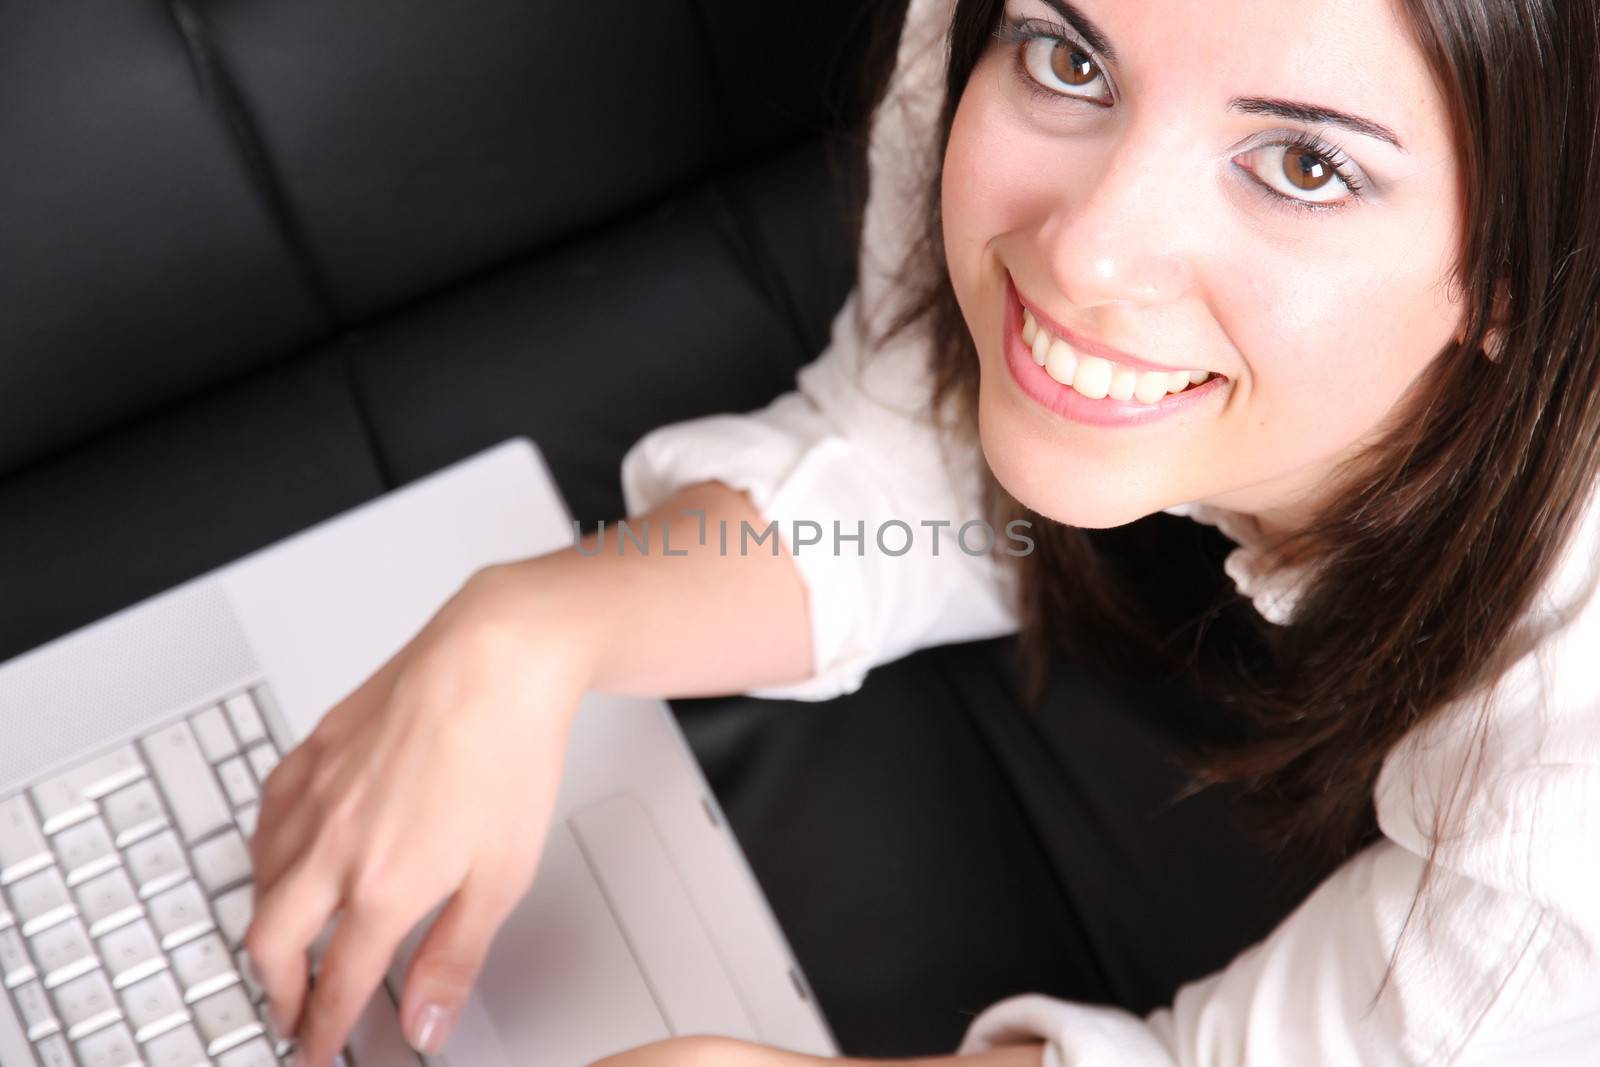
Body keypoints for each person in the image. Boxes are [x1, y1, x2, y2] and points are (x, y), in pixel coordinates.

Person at [243, 0, 1600, 1064]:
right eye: (1073, 62)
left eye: (1303, 164)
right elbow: (928, 454)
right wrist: (530, 627)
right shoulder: (1006, 36)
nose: (1085, 255)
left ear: (1529, 267)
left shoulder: (1570, 786)